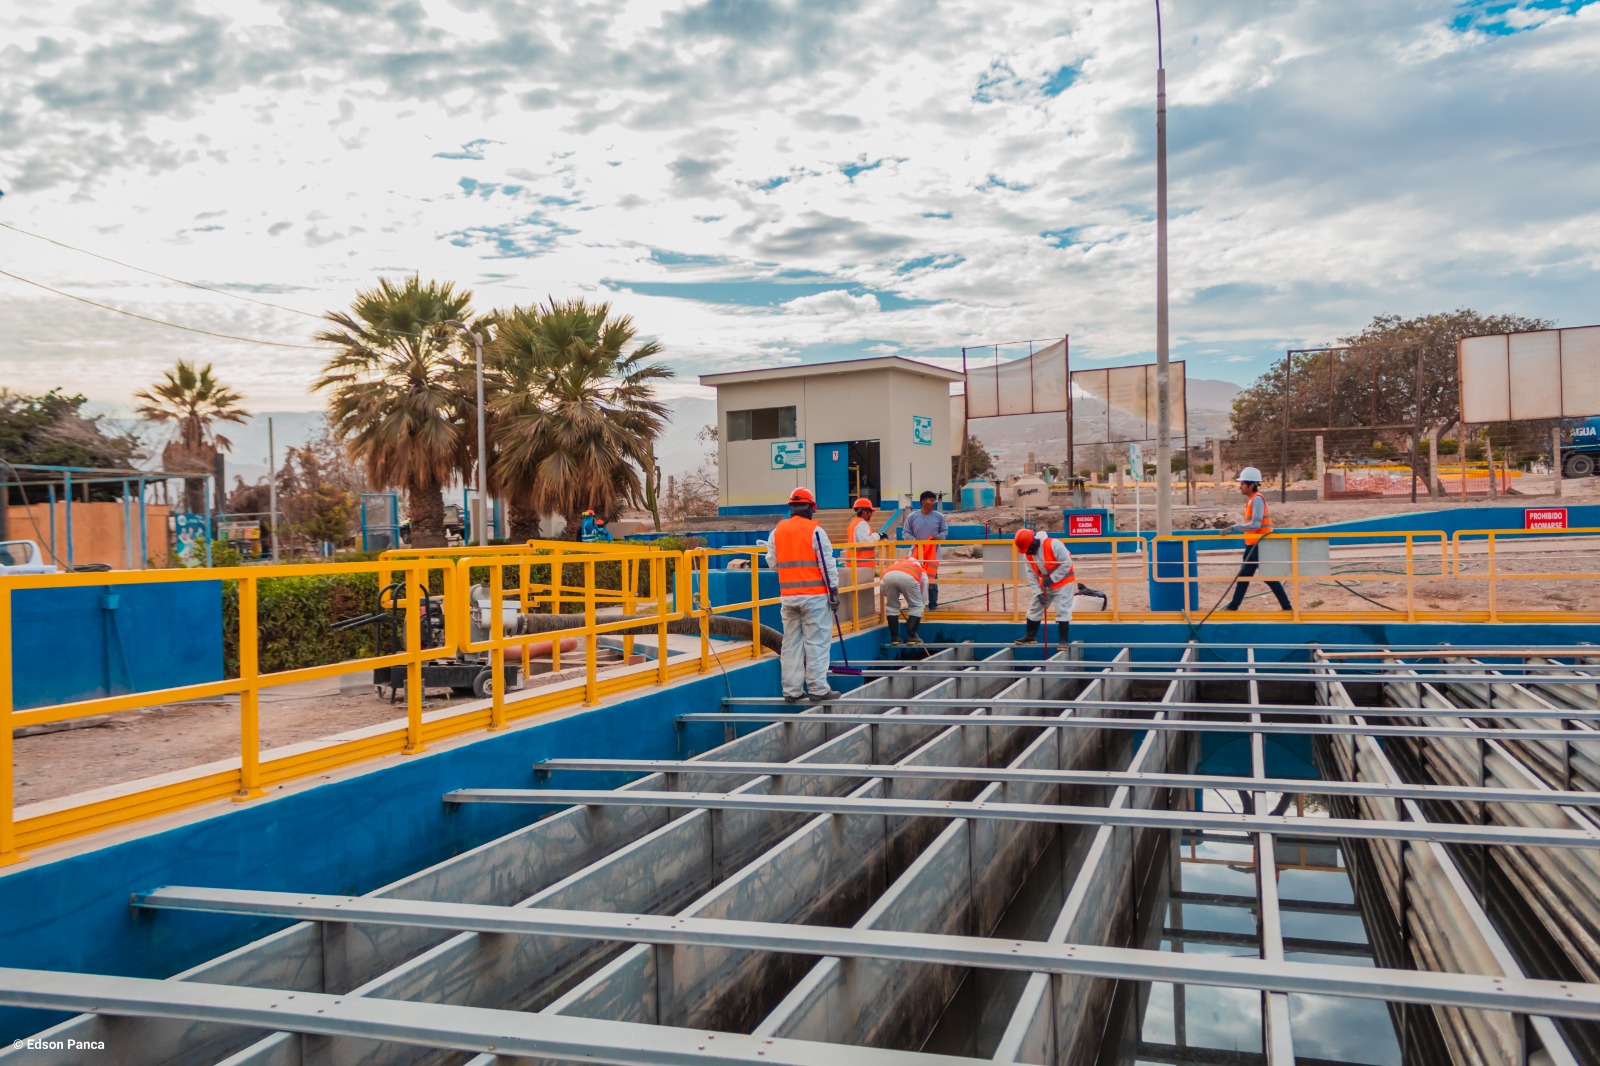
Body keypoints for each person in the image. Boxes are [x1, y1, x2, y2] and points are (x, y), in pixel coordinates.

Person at [765, 487, 842, 702]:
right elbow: (827, 564)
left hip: (789, 597)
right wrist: (833, 591)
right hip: (815, 597)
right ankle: (818, 689)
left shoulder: (777, 531)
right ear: (810, 508)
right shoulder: (815, 531)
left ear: (791, 507)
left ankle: (791, 691)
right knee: (816, 642)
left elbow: (772, 562)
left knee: (791, 644)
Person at [1220, 467, 1291, 611]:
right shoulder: (1252, 500)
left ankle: (1287, 607)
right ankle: (1233, 607)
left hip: (1259, 545)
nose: (1240, 486)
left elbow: (1256, 524)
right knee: (1244, 576)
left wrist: (1234, 528)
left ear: (1251, 485)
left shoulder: (1257, 499)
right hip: (1252, 544)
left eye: (1242, 484)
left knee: (1268, 577)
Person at [1012, 527, 1075, 646]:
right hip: (1045, 584)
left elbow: (1067, 563)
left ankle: (1063, 640)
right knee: (1035, 607)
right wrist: (1038, 593)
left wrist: (1052, 578)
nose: (1027, 552)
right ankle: (1030, 636)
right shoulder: (1028, 555)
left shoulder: (1053, 544)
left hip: (1063, 582)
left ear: (1033, 542)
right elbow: (1031, 575)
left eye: (1028, 549)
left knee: (1062, 610)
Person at [901, 490, 948, 609]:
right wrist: (915, 541)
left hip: (932, 555)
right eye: (931, 500)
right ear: (923, 501)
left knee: (932, 579)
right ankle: (916, 604)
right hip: (916, 555)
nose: (933, 503)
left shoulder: (939, 516)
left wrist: (938, 537)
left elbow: (945, 532)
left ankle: (933, 604)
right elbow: (905, 533)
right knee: (915, 580)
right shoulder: (912, 516)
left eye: (934, 501)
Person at [880, 553, 929, 646]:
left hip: (888, 576)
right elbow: (924, 587)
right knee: (916, 605)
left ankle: (895, 638)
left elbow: (883, 585)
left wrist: (890, 597)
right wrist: (920, 607)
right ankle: (912, 636)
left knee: (891, 606)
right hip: (909, 577)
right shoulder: (919, 568)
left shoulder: (896, 564)